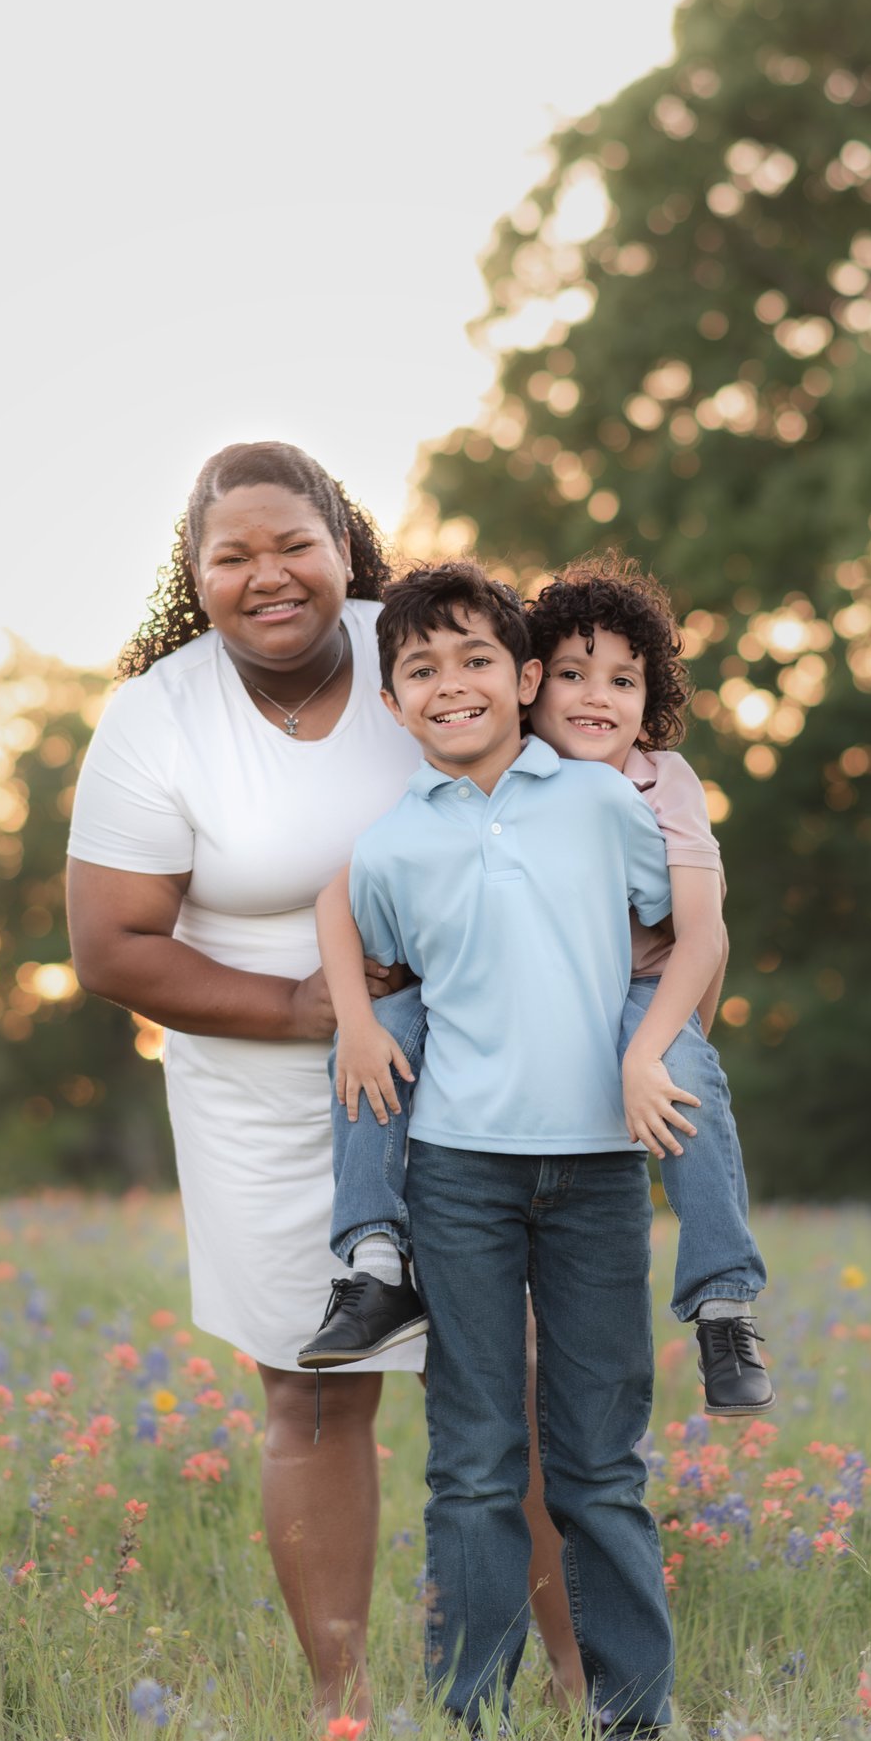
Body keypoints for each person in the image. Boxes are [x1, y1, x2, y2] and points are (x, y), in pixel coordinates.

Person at [65, 440, 424, 1724]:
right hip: (268, 1099)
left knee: (532, 1378)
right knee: (316, 1390)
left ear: (345, 547)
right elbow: (111, 945)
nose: (266, 576)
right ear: (196, 574)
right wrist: (297, 1007)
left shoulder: (426, 648)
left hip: (474, 1072)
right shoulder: (160, 713)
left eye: (293, 546)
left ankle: (585, 1694)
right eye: (232, 556)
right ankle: (345, 1709)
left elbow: (582, 774)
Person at [312, 560, 677, 1739]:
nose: (450, 683)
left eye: (476, 659)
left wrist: (658, 1055)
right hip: (459, 1170)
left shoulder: (598, 800)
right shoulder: (390, 848)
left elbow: (670, 933)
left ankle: (632, 1727)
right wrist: (360, 1018)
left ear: (525, 679)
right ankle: (466, 1726)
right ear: (392, 703)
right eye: (420, 668)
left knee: (598, 1465)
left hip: (600, 1172)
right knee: (471, 1462)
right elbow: (365, 954)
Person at [301, 553, 773, 1419]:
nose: (597, 698)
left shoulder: (651, 785)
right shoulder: (486, 763)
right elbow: (342, 891)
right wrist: (357, 1016)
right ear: (531, 686)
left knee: (686, 1074)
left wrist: (651, 1049)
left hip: (639, 988)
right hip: (489, 1004)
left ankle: (723, 1302)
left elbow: (704, 935)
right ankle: (372, 1265)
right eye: (572, 675)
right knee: (376, 1038)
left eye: (624, 680)